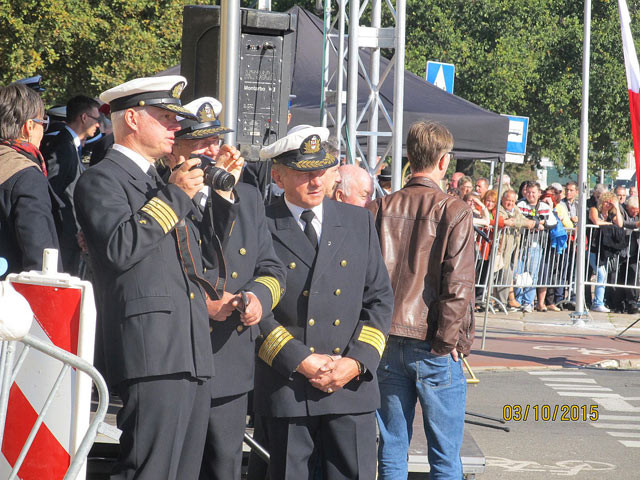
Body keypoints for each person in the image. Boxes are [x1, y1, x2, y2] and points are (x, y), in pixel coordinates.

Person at [74, 75, 219, 479]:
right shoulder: (102, 179)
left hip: (188, 346)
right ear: (133, 119)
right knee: (149, 470)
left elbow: (202, 255)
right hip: (151, 350)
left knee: (184, 471)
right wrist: (174, 195)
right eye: (166, 117)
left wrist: (213, 197)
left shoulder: (160, 180)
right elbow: (120, 249)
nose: (176, 127)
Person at [254, 125, 394, 480]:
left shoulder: (358, 220)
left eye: (322, 172)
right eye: (304, 173)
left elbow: (378, 300)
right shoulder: (259, 222)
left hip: (350, 385)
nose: (316, 182)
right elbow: (254, 308)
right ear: (279, 174)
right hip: (287, 382)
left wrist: (356, 362)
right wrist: (300, 360)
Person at [168, 96, 287, 480]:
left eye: (215, 142)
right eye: (199, 143)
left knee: (224, 468)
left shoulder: (247, 197)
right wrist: (200, 304)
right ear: (175, 148)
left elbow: (270, 268)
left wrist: (256, 299)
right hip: (178, 356)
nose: (211, 152)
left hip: (230, 359)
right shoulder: (164, 194)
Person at [367, 121, 474, 479]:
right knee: (444, 458)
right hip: (432, 344)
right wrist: (448, 343)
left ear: (410, 158)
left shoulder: (379, 207)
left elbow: (366, 280)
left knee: (392, 451)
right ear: (444, 162)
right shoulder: (454, 210)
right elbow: (458, 288)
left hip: (384, 338)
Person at [0, 83, 59, 278]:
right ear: (29, 126)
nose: (43, 132)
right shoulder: (25, 176)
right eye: (43, 123)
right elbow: (40, 258)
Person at [41, 95, 101, 276]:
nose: (98, 125)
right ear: (84, 118)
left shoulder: (70, 146)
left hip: (70, 233)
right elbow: (51, 190)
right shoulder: (63, 147)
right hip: (62, 234)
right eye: (96, 119)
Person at [515, 181, 557, 312]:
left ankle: (528, 302)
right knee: (518, 273)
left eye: (533, 192)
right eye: (528, 192)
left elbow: (552, 222)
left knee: (532, 274)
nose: (530, 195)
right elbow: (519, 219)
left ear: (539, 193)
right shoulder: (520, 204)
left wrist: (536, 222)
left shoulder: (544, 206)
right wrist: (537, 222)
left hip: (536, 243)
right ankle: (517, 301)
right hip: (520, 242)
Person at [588, 191, 623, 312]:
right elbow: (596, 221)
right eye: (606, 202)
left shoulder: (610, 213)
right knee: (601, 274)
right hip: (590, 248)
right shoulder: (594, 209)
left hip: (602, 249)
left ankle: (598, 302)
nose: (608, 204)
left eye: (610, 203)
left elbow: (619, 224)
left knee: (603, 274)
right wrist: (609, 224)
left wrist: (617, 208)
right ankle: (597, 302)